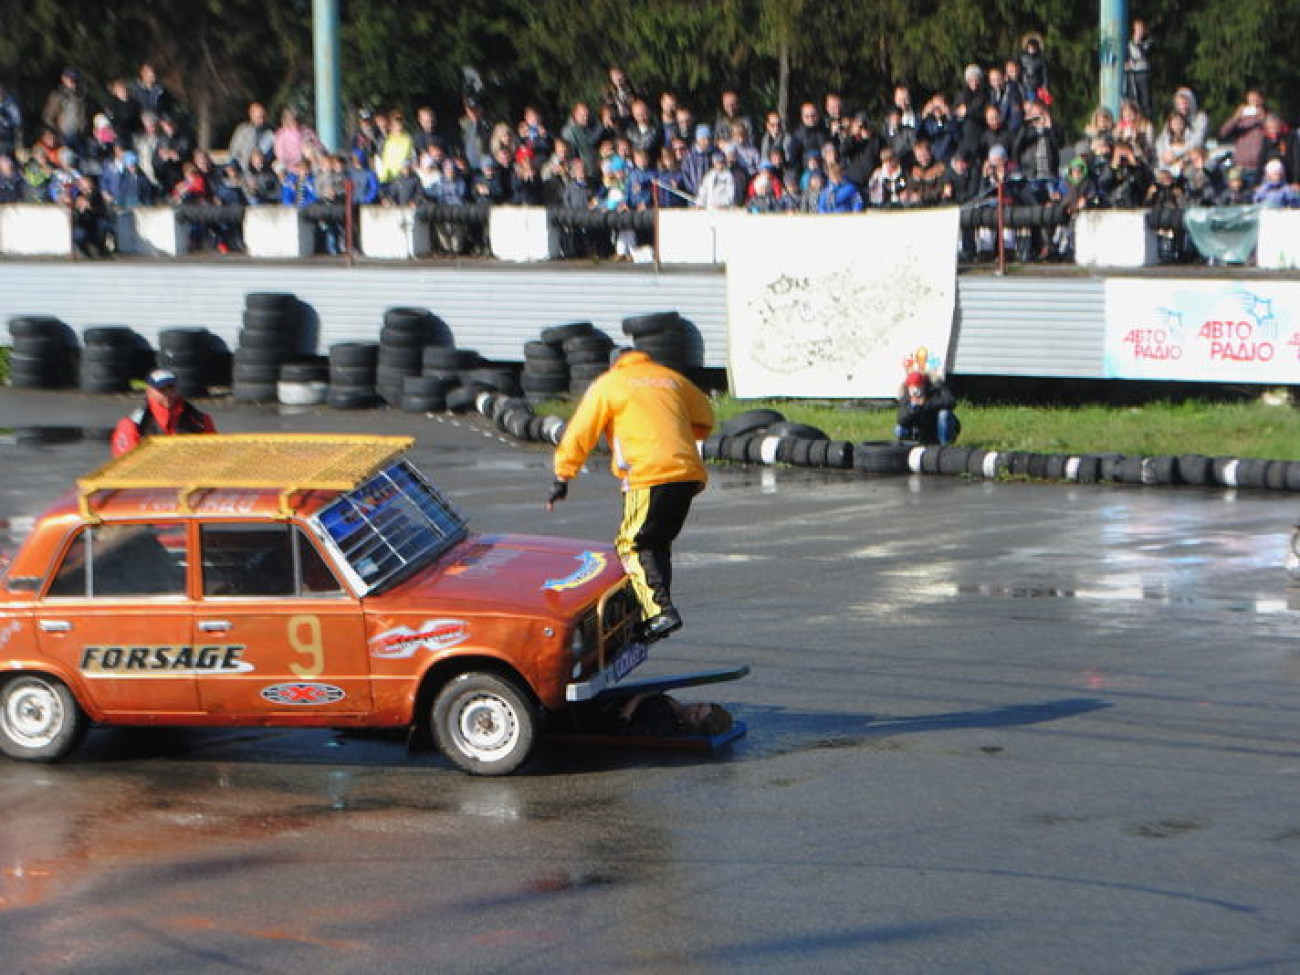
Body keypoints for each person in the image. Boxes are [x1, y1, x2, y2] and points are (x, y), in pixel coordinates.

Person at [547, 348, 714, 643]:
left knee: (633, 545)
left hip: (648, 473)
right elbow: (704, 420)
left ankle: (659, 613)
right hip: (687, 474)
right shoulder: (671, 378)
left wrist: (563, 475)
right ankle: (652, 611)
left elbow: (580, 432)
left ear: (614, 364)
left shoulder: (611, 383)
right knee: (656, 543)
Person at [110, 368, 216, 456]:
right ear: (149, 391)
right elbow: (124, 465)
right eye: (161, 390)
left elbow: (214, 455)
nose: (168, 393)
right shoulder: (132, 425)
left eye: (171, 388)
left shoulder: (200, 421)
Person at [895, 370, 960, 445]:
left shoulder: (935, 388)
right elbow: (901, 420)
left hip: (937, 426)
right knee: (899, 429)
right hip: (921, 430)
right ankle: (908, 447)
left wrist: (926, 404)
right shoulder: (906, 395)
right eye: (912, 388)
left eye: (918, 386)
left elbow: (950, 401)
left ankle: (944, 446)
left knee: (944, 414)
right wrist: (913, 408)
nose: (916, 391)